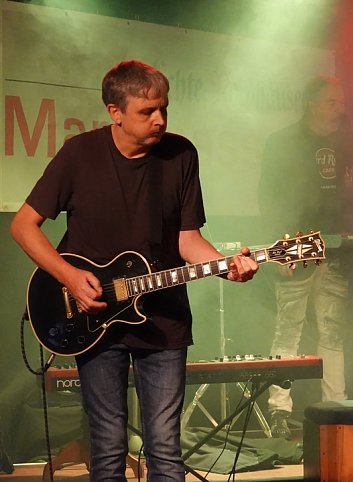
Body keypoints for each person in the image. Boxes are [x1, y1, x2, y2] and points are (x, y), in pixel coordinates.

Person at [9, 60, 259, 480]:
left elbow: (188, 241)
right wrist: (69, 277)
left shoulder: (181, 154)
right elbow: (23, 226)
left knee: (165, 448)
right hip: (93, 317)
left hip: (163, 321)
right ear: (115, 112)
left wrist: (225, 269)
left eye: (164, 109)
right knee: (107, 451)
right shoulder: (79, 154)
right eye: (147, 111)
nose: (159, 119)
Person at [257, 75, 353, 439]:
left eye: (341, 102)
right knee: (288, 328)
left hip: (336, 249)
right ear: (311, 103)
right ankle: (279, 411)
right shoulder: (283, 142)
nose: (341, 108)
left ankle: (336, 406)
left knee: (331, 330)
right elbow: (269, 198)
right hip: (295, 247)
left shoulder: (349, 144)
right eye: (332, 102)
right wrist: (279, 247)